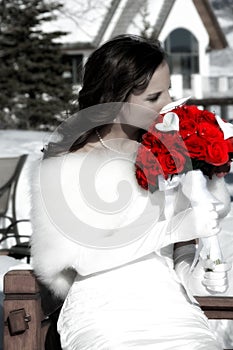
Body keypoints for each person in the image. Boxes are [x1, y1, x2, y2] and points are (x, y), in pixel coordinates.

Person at [30, 34, 231, 349]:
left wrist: (192, 272)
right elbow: (81, 258)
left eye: (169, 92)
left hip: (172, 308)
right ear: (115, 97)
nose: (169, 104)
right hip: (104, 312)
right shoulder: (67, 163)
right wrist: (172, 228)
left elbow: (181, 245)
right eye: (153, 97)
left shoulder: (167, 149)